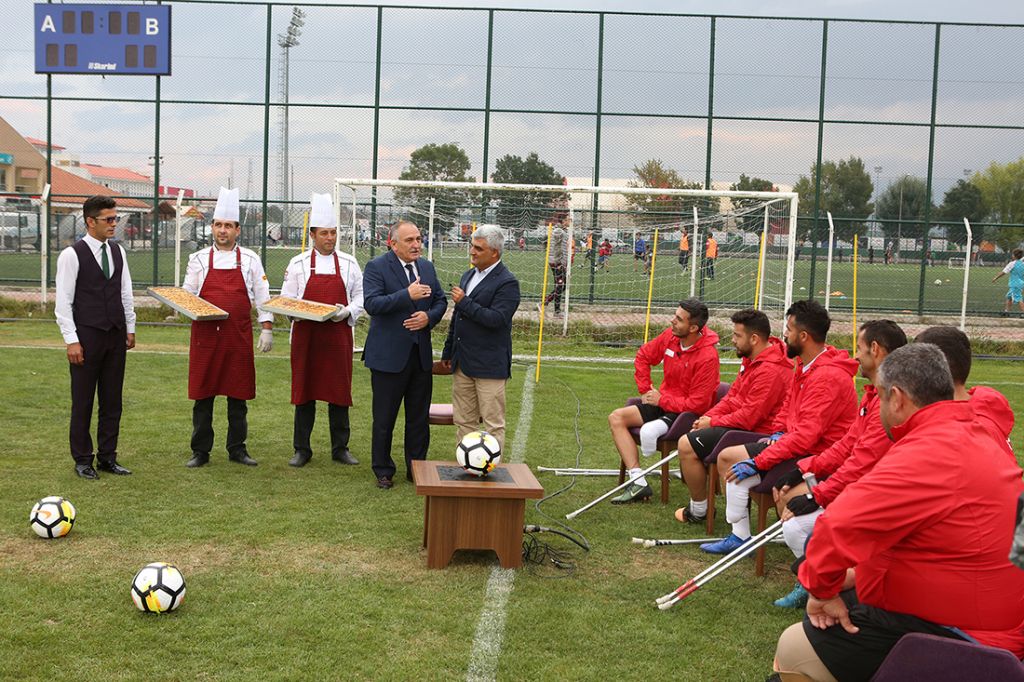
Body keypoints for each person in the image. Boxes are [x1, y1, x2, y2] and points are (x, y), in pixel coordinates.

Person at [772, 344, 1024, 682]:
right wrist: (856, 577)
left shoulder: (929, 452)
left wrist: (821, 592)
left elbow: (837, 528)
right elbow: (940, 541)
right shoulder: (975, 433)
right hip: (988, 607)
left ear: (897, 398)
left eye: (878, 397)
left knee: (794, 648)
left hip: (970, 630)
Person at [770, 320, 907, 608]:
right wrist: (807, 467)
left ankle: (826, 584)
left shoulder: (893, 402)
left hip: (874, 499)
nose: (855, 356)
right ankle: (812, 582)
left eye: (859, 348)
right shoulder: (873, 396)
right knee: (792, 512)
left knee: (803, 525)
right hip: (857, 489)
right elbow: (847, 444)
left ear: (876, 349)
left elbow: (861, 462)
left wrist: (815, 495)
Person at [706, 300, 858, 554]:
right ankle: (741, 536)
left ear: (804, 336)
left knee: (754, 472)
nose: (784, 335)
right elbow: (787, 406)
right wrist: (776, 433)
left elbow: (806, 437)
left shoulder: (827, 377)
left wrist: (759, 461)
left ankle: (805, 558)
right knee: (728, 458)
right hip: (795, 444)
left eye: (788, 329)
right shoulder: (805, 365)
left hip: (817, 455)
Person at [183, 188, 273, 468]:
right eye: (218, 225)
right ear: (212, 228)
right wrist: (186, 305)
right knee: (203, 395)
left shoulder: (250, 259)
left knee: (238, 395)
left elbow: (262, 294)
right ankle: (201, 451)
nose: (223, 231)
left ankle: (237, 448)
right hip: (206, 337)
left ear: (238, 230)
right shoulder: (198, 259)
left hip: (237, 336)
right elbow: (187, 293)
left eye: (228, 226)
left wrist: (266, 327)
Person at [674, 309, 790, 525]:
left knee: (686, 444)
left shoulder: (770, 370)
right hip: (741, 426)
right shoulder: (752, 359)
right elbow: (733, 397)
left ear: (754, 339)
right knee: (692, 435)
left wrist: (714, 422)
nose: (733, 340)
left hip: (758, 433)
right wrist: (707, 418)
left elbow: (750, 417)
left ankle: (700, 511)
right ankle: (704, 508)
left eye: (737, 336)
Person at [55, 195, 137, 480]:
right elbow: (63, 302)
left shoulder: (118, 252)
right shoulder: (71, 255)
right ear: (90, 221)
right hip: (87, 335)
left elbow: (125, 292)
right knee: (83, 401)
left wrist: (130, 327)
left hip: (115, 334)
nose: (114, 224)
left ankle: (107, 457)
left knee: (112, 400)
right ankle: (82, 459)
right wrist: (71, 339)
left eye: (116, 219)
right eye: (109, 219)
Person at [608, 298, 720, 504]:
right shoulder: (670, 336)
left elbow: (698, 405)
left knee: (649, 431)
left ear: (694, 327)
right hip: (663, 404)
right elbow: (643, 356)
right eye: (675, 316)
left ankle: (698, 503)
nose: (672, 321)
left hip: (687, 416)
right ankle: (638, 481)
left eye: (679, 319)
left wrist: (663, 400)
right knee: (616, 418)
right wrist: (645, 389)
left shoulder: (708, 357)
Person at [281, 193, 364, 468]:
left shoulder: (350, 263)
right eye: (324, 233)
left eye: (333, 233)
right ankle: (301, 449)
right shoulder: (298, 264)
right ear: (313, 234)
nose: (330, 238)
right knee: (304, 392)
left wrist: (346, 311)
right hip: (306, 338)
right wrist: (306, 311)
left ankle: (340, 447)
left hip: (338, 337)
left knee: (339, 392)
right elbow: (286, 300)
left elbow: (360, 299)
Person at [363, 220, 447, 489]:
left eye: (418, 239)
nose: (416, 245)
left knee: (418, 417)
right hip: (388, 357)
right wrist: (405, 294)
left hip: (419, 355)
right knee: (385, 417)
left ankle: (417, 467)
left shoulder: (427, 267)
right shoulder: (377, 267)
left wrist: (428, 317)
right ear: (393, 243)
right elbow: (372, 304)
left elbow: (440, 301)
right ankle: (383, 470)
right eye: (409, 240)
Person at [439, 225, 521, 451]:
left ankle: (492, 471)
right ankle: (466, 465)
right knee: (464, 421)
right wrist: (448, 351)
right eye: (471, 246)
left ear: (494, 252)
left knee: (493, 423)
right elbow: (458, 317)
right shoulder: (468, 275)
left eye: (478, 248)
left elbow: (497, 319)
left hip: (489, 365)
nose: (472, 252)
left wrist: (465, 302)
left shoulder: (507, 282)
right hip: (462, 362)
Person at [541, 221, 568, 317]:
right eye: (567, 219)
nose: (568, 221)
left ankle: (550, 305)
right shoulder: (560, 233)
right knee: (560, 285)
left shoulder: (554, 232)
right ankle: (550, 306)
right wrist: (559, 263)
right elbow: (558, 248)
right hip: (557, 263)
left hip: (555, 262)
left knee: (562, 285)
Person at [992, 248, 1024, 316]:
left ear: (1014, 256)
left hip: (1015, 284)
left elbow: (1004, 272)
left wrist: (996, 278)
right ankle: (1007, 312)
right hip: (1020, 283)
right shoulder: (1022, 264)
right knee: (1009, 297)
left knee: (1018, 299)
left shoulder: (1012, 264)